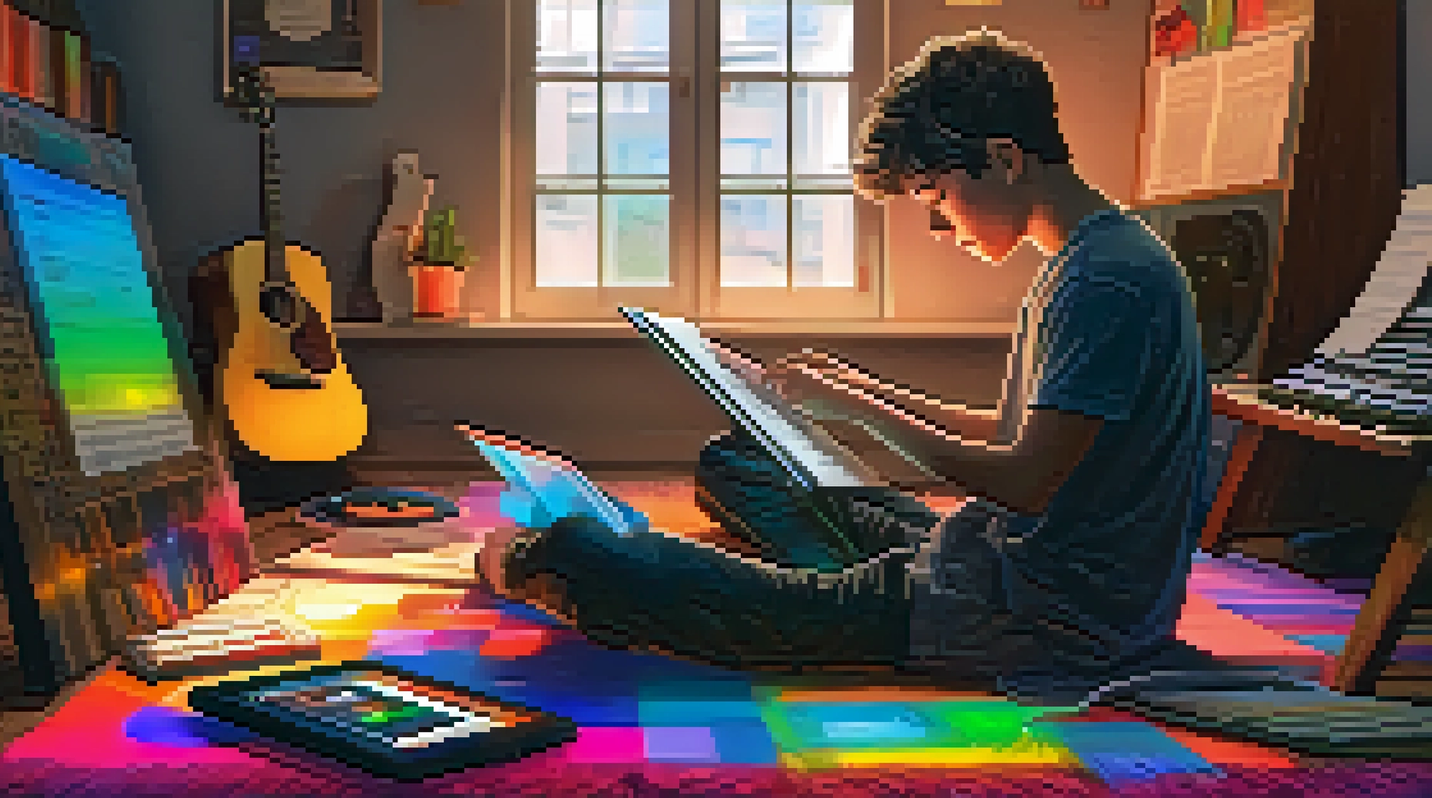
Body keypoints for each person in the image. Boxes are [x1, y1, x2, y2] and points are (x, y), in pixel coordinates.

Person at [477, 28, 1212, 703]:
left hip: (1033, 617)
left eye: (937, 195)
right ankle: (848, 585)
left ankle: (546, 560)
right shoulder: (1097, 258)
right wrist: (856, 390)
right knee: (739, 462)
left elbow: (1024, 481)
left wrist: (859, 411)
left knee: (592, 557)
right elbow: (1022, 434)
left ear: (1003, 159)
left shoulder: (1102, 283)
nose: (936, 223)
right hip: (999, 562)